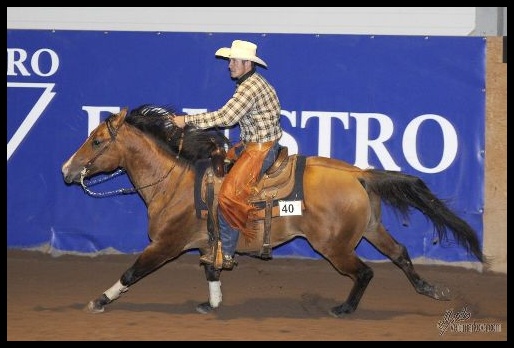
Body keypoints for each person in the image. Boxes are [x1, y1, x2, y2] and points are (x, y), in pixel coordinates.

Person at [172, 39, 283, 270]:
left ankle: (226, 253)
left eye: (233, 60)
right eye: (230, 60)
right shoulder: (250, 83)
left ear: (247, 64)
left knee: (228, 196)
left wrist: (188, 121)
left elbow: (226, 118)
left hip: (261, 149)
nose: (229, 65)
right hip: (253, 144)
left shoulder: (249, 88)